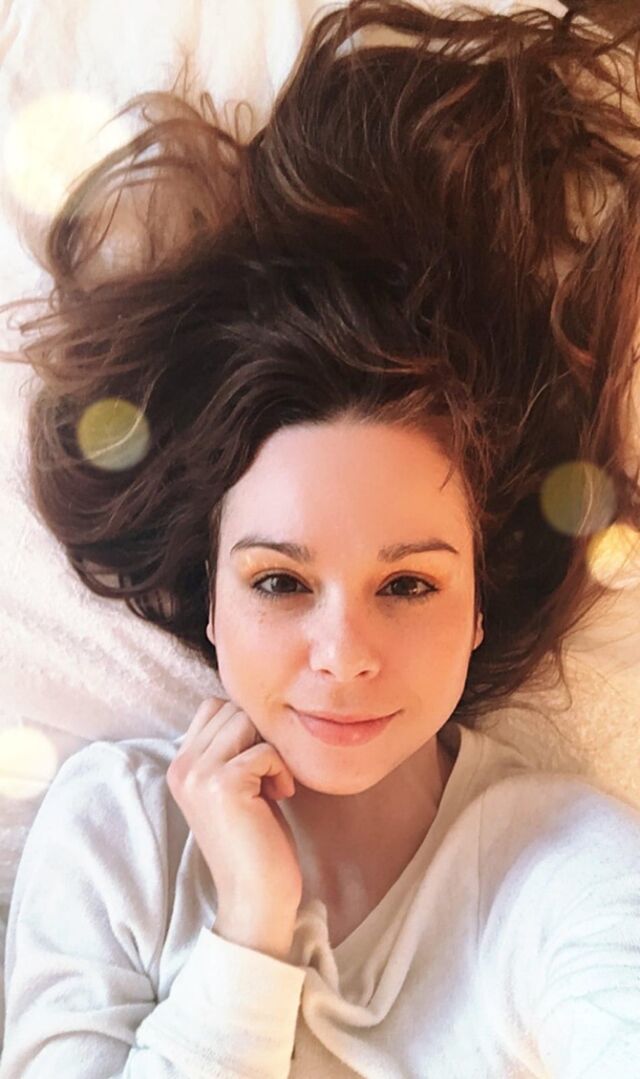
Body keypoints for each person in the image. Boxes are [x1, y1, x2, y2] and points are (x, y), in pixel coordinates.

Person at [1, 0, 640, 1074]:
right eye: (281, 581)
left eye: (408, 584)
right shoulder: (118, 833)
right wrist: (252, 923)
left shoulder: (561, 867)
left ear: (479, 608)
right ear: (211, 598)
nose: (343, 654)